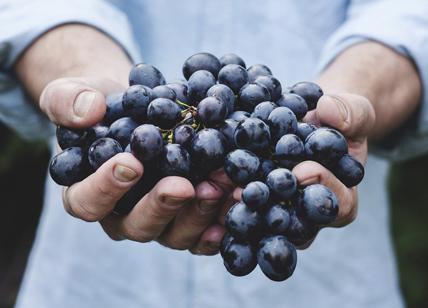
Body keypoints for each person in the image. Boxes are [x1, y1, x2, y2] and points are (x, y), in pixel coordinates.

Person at [1, 0, 427, 307]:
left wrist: (355, 95)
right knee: (126, 171)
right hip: (95, 284)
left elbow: (410, 15)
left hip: (331, 286)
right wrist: (83, 78)